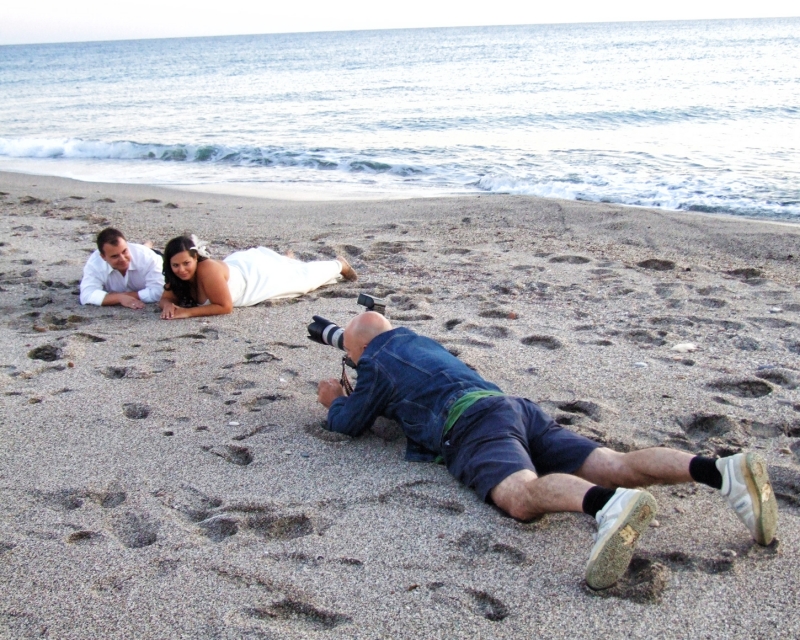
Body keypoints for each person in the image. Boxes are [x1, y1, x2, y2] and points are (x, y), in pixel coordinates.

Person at [317, 312, 779, 590]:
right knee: (613, 463)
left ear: (361, 350)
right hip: (516, 408)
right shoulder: (421, 343)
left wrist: (334, 398)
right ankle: (720, 470)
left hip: (471, 423)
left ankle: (607, 506)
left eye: (353, 354)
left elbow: (349, 424)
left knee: (520, 496)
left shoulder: (377, 361)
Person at [158, 235, 358, 319]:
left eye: (187, 263)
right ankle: (285, 260)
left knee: (302, 281)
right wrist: (167, 305)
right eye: (175, 265)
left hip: (253, 281)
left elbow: (225, 307)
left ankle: (338, 265)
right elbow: (167, 297)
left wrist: (186, 312)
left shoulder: (207, 269)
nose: (182, 270)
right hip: (238, 268)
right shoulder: (176, 277)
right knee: (287, 267)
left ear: (195, 258)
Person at [80, 228, 165, 309]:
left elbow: (159, 292)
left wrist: (124, 296)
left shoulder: (148, 258)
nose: (122, 259)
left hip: (155, 256)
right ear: (103, 257)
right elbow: (86, 295)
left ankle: (147, 246)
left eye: (125, 251)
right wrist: (119, 298)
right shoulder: (94, 264)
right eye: (115, 256)